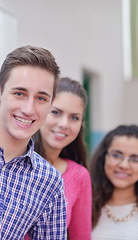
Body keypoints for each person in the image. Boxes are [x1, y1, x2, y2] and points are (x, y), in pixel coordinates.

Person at [0, 45, 67, 239]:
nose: (29, 109)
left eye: (41, 98)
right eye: (19, 94)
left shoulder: (49, 182)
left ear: (51, 103)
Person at [32, 77, 92, 239]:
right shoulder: (16, 161)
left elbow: (81, 236)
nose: (64, 124)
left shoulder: (79, 176)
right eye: (56, 113)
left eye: (74, 118)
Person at [91, 124, 138, 239]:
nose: (124, 165)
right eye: (117, 155)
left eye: (134, 159)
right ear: (104, 157)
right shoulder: (85, 204)